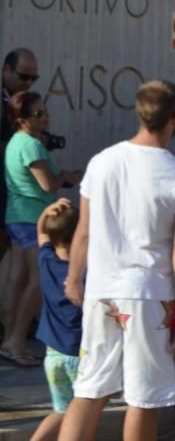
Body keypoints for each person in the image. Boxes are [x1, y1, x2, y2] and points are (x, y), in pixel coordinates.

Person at [59, 80, 175, 440]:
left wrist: (74, 277)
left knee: (89, 389)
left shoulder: (101, 162)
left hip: (102, 289)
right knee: (144, 397)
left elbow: (84, 231)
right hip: (150, 293)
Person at [1, 91, 80, 367]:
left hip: (16, 216)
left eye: (45, 111)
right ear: (22, 119)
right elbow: (48, 185)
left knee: (16, 279)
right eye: (38, 113)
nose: (45, 117)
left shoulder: (15, 143)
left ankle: (10, 339)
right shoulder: (31, 146)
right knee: (39, 280)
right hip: (34, 218)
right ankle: (16, 341)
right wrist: (68, 177)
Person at [31, 199, 81, 441]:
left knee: (62, 411)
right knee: (81, 415)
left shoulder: (46, 261)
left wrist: (46, 213)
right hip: (79, 356)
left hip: (52, 357)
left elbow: (41, 232)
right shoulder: (84, 272)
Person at [1, 48, 40, 263]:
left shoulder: (20, 102)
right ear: (7, 69)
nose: (28, 82)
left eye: (33, 78)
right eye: (24, 76)